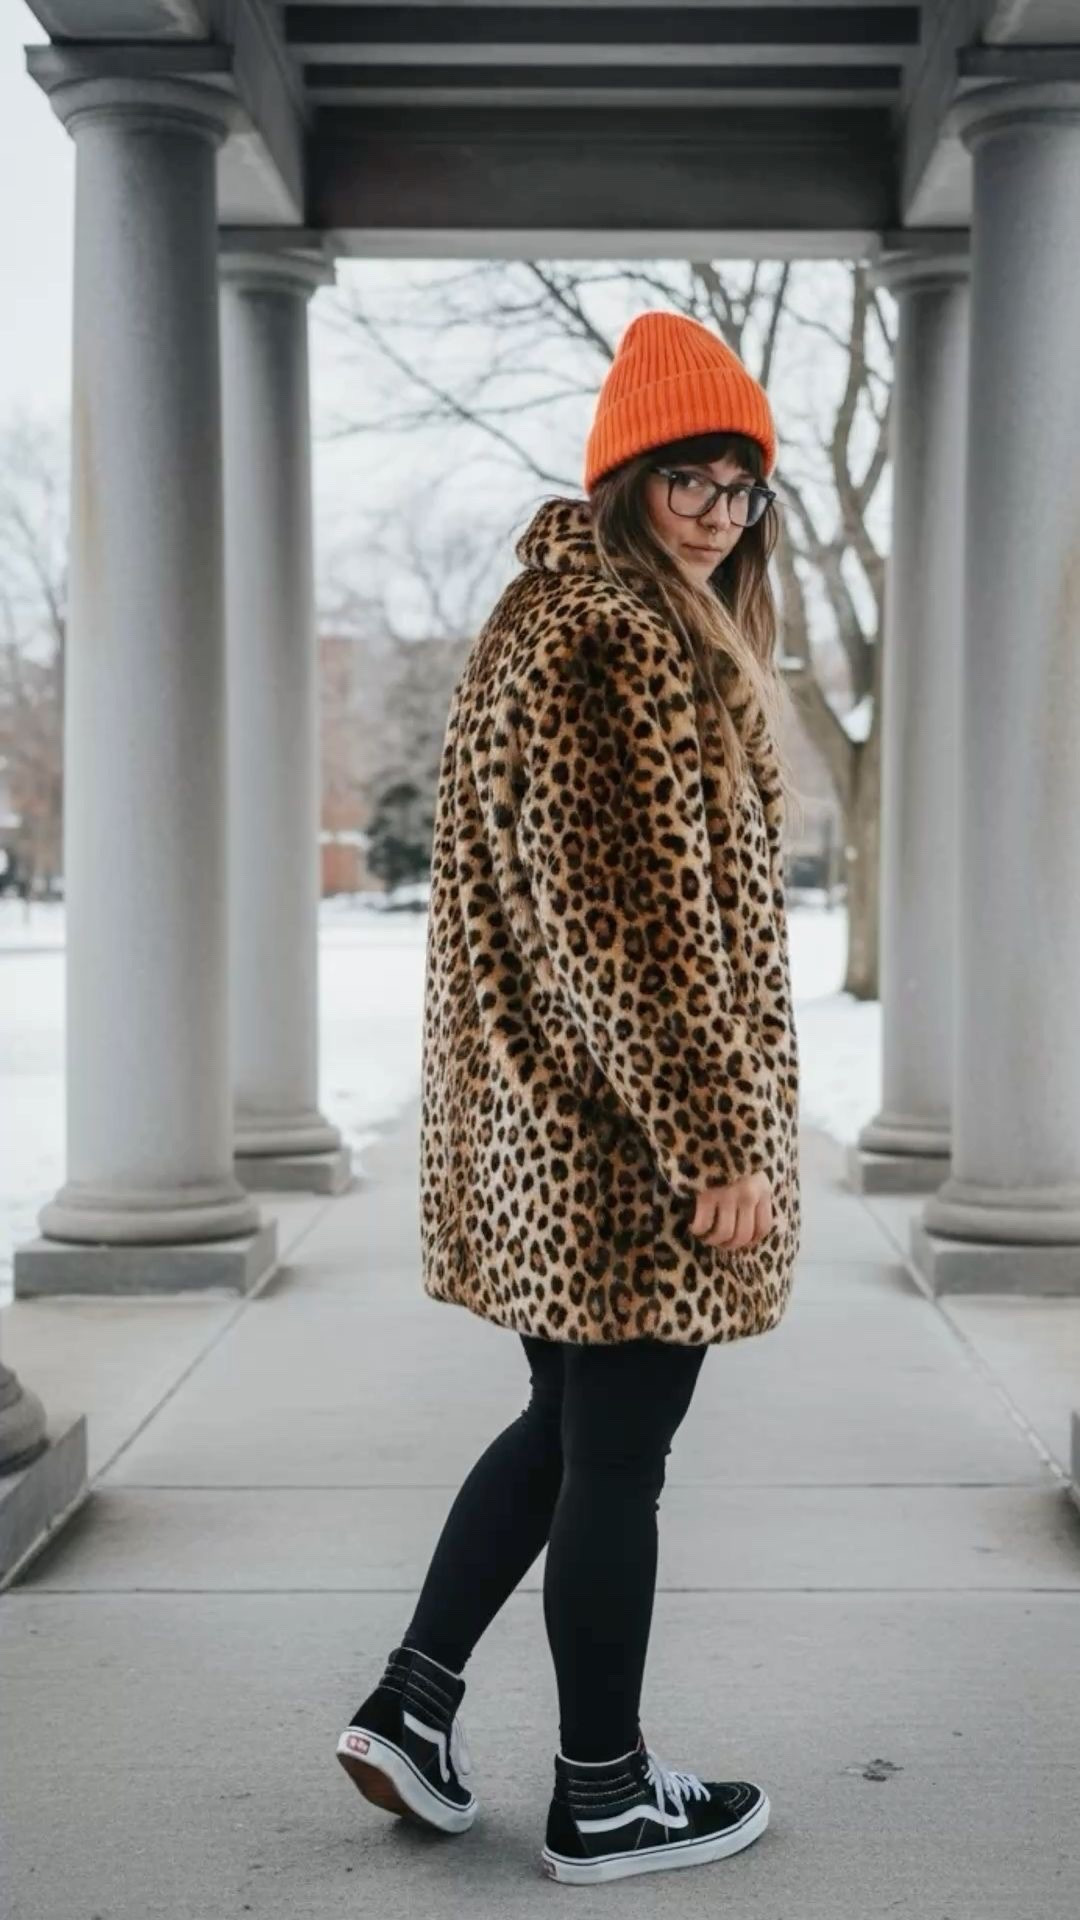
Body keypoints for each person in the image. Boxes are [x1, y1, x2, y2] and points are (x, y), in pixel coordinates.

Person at [335, 309, 803, 1885]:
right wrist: (715, 1137)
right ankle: (603, 1791)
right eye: (692, 477)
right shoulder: (612, 637)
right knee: (618, 1457)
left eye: (744, 487)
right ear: (627, 476)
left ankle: (413, 1706)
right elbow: (628, 929)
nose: (719, 512)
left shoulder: (562, 621)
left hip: (559, 1127)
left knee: (566, 1425)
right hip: (619, 1144)